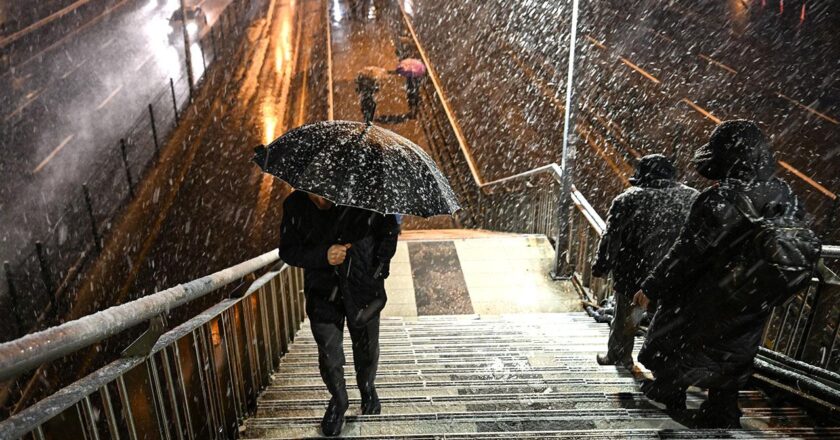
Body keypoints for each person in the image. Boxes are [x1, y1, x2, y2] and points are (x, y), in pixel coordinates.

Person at [633, 120, 812, 427]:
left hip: (708, 294)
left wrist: (652, 286)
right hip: (752, 294)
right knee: (734, 351)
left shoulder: (718, 199)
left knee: (675, 339)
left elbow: (685, 253)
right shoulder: (784, 194)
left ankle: (670, 394)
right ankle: (723, 410)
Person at [278, 190, 400, 437]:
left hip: (363, 287)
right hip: (322, 292)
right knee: (329, 355)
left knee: (366, 348)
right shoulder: (295, 205)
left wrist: (379, 267)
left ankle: (367, 388)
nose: (318, 198)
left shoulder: (367, 196)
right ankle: (339, 401)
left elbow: (388, 232)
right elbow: (288, 250)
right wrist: (323, 255)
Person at [592, 154, 697, 371]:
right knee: (669, 322)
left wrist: (602, 266)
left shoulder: (627, 200)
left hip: (634, 273)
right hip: (675, 274)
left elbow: (611, 238)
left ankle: (620, 356)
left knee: (627, 319)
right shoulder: (692, 198)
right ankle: (666, 365)